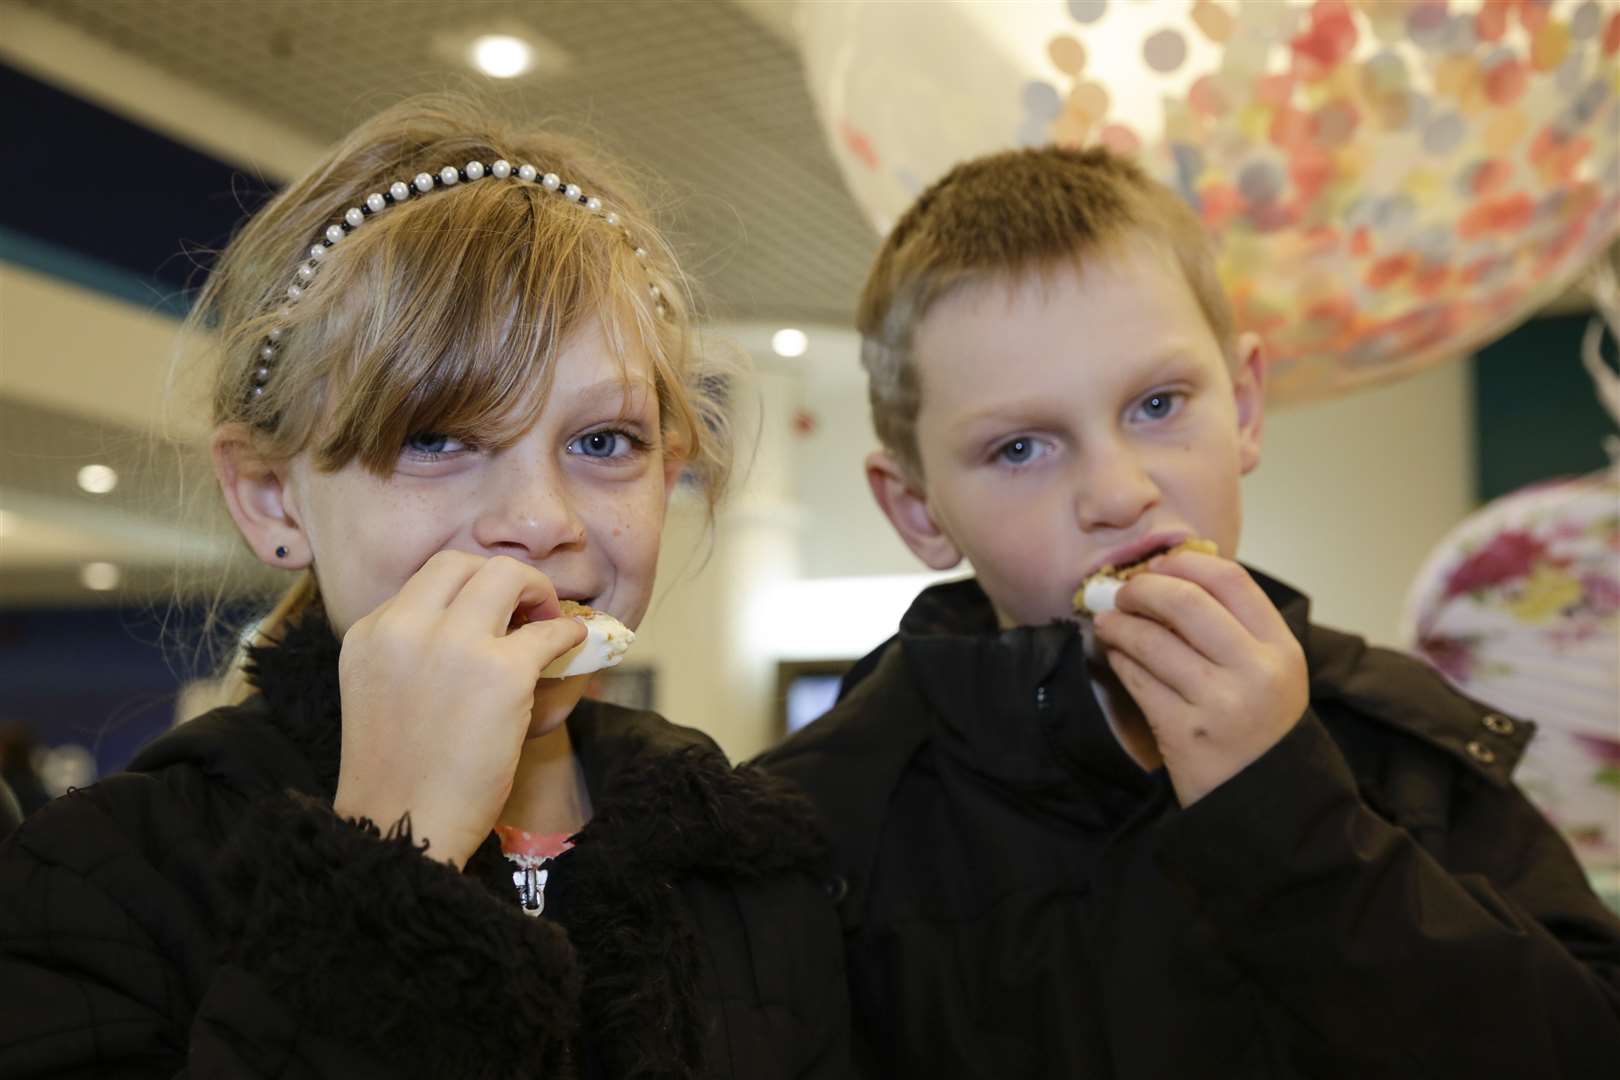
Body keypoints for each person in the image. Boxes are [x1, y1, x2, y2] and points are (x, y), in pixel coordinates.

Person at [0, 97, 850, 1079]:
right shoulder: (105, 878)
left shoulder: (746, 850)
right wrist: (382, 865)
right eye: (437, 439)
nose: (540, 518)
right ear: (274, 496)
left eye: (602, 441)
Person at [758, 146, 1620, 1077]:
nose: (1119, 492)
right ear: (920, 510)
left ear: (1245, 407)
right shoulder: (812, 826)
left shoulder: (1413, 750)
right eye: (1019, 450)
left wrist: (1287, 809)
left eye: (1159, 403)